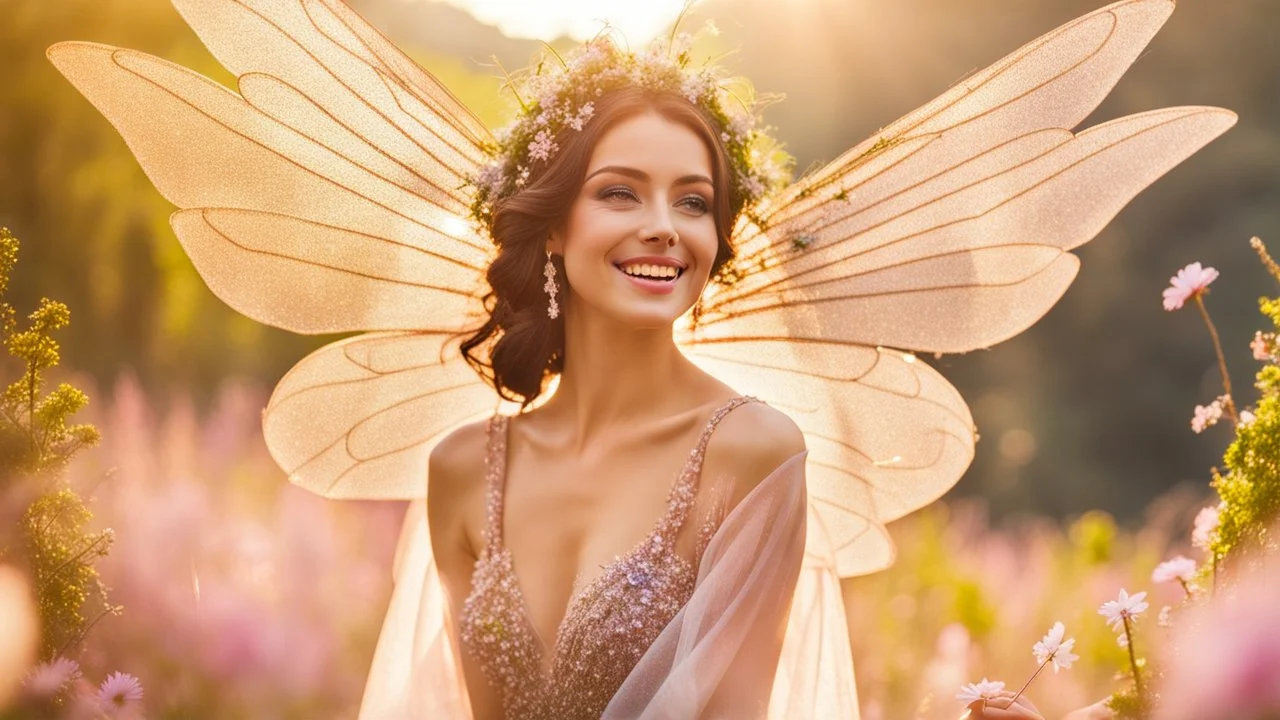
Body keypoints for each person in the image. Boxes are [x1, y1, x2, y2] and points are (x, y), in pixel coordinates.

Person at [46, 0, 1233, 717]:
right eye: (620, 193)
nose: (664, 226)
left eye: (694, 201)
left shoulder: (752, 455)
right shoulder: (466, 467)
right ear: (553, 224)